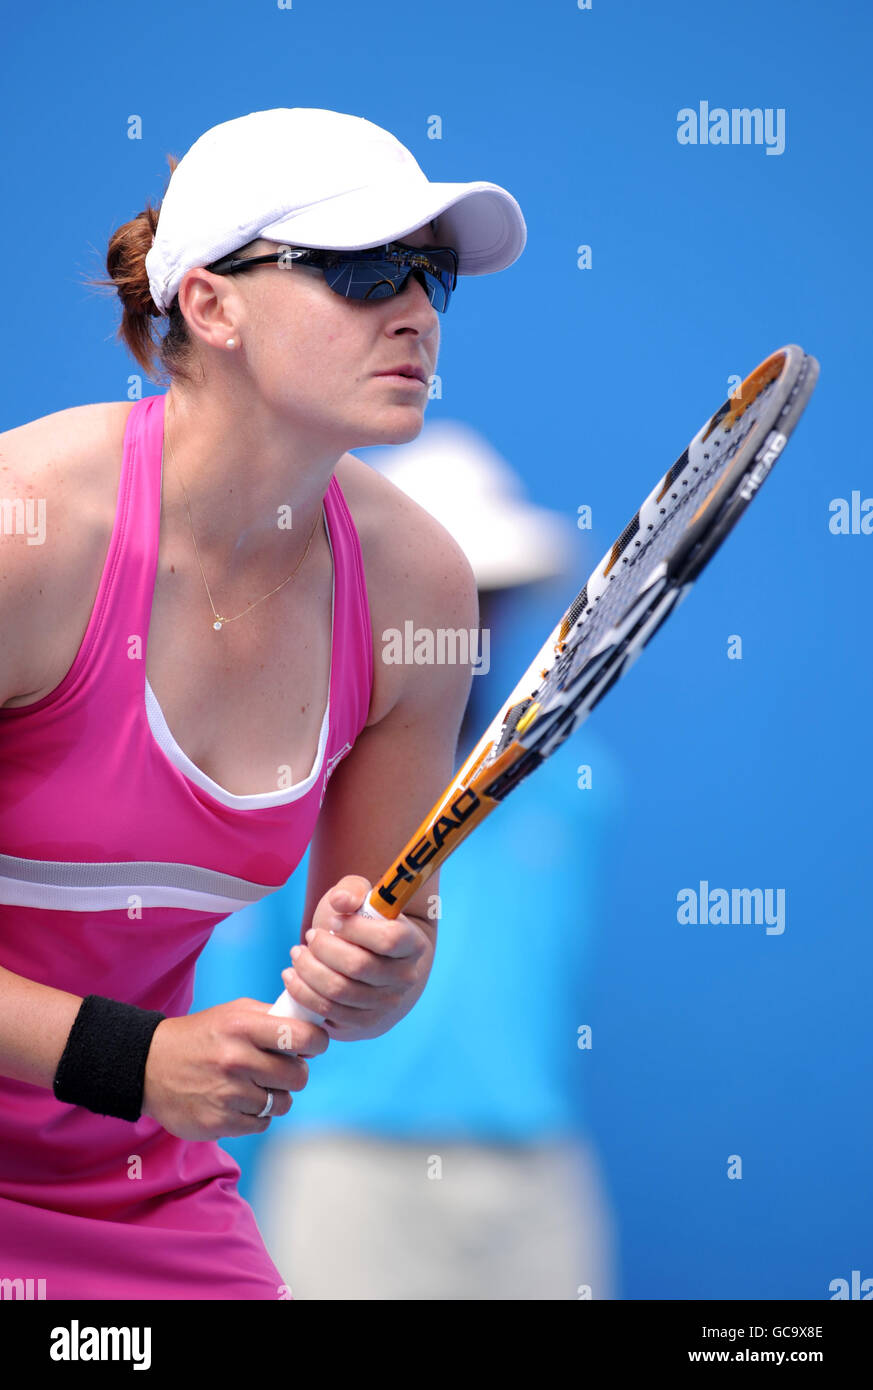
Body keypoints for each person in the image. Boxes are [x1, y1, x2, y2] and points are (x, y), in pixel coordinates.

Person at [0, 106, 526, 1299]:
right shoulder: (22, 528)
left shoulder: (415, 584)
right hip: (133, 1090)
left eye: (433, 275)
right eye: (361, 271)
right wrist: (129, 1057)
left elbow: (387, 930)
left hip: (134, 1187)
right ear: (209, 303)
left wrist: (378, 973)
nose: (418, 311)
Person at [251, 422, 622, 1299]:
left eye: (488, 596)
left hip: (535, 1174)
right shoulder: (289, 777)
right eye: (444, 595)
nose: (466, 621)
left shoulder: (579, 785)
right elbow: (233, 983)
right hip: (345, 1175)